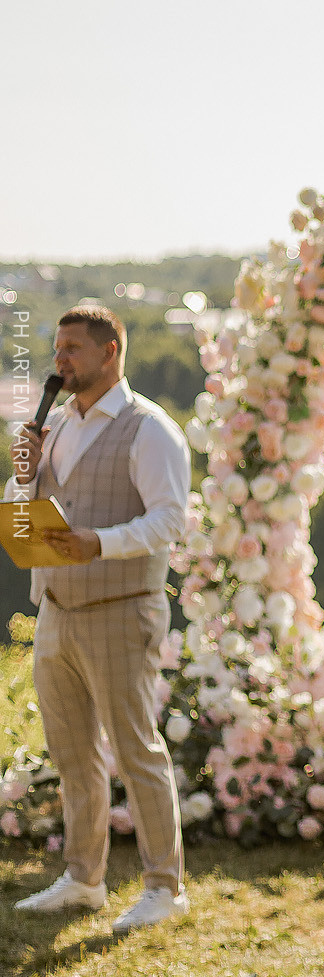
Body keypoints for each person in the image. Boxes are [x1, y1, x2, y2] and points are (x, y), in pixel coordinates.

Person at [5, 305, 192, 934]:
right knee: (72, 753)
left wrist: (101, 543)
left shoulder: (149, 429)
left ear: (111, 351)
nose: (59, 362)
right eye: (56, 350)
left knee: (136, 749)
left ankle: (165, 888)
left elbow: (172, 520)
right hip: (57, 611)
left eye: (72, 350)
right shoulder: (54, 426)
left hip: (121, 609)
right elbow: (21, 512)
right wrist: (23, 475)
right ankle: (84, 879)